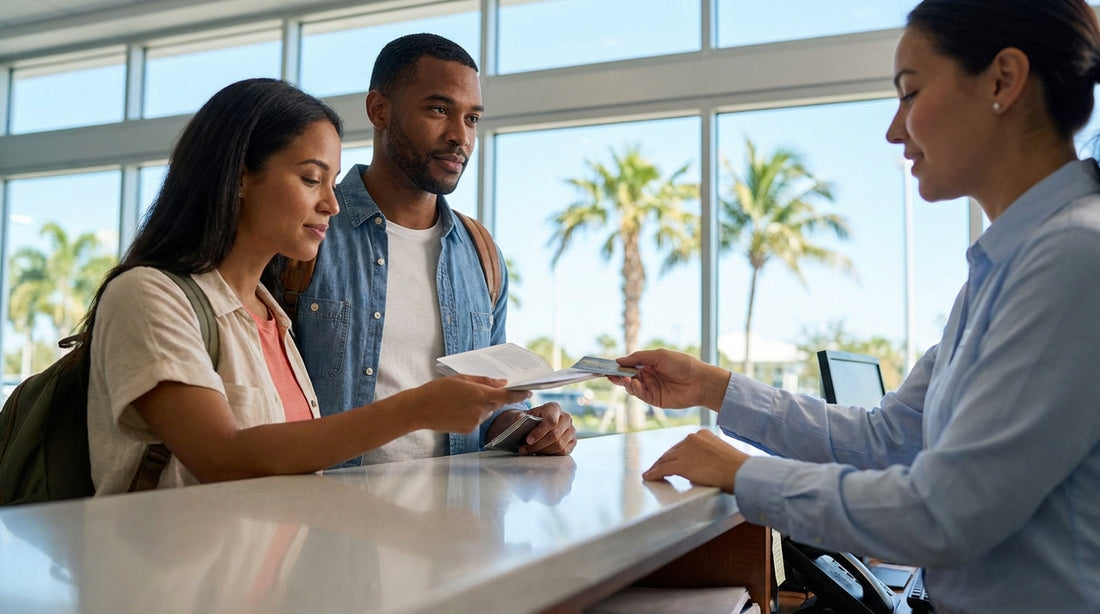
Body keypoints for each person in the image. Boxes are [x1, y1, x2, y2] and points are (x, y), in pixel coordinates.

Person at [611, 1, 1100, 611]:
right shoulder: (1005, 269)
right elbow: (887, 438)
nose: (895, 130)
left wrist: (742, 474)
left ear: (1003, 80)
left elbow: (944, 512)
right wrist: (713, 387)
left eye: (910, 93)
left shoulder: (1074, 257)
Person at [82, 77, 530, 494]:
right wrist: (415, 410)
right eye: (311, 179)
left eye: (332, 182)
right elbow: (221, 457)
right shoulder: (147, 296)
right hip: (175, 578)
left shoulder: (270, 316)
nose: (332, 204)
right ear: (239, 175)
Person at [285, 32, 575, 465]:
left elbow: (485, 409)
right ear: (378, 110)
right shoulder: (307, 230)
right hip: (328, 519)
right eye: (440, 110)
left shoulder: (482, 256)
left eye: (472, 118)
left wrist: (528, 429)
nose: (461, 136)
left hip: (450, 525)